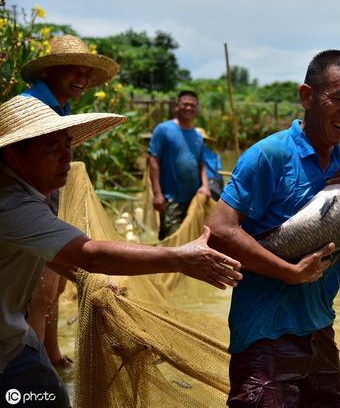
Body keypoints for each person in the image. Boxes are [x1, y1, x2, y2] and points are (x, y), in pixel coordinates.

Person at [0, 95, 242, 407]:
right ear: (13, 157)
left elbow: (56, 254)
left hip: (15, 337)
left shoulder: (28, 194)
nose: (66, 156)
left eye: (67, 144)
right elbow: (90, 253)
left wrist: (86, 279)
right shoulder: (12, 205)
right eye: (51, 148)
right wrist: (179, 258)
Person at [207, 50, 340, 407]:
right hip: (264, 336)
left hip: (318, 331)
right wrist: (289, 272)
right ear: (307, 97)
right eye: (339, 99)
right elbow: (219, 231)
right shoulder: (270, 155)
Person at [19, 34, 120, 368]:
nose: (83, 79)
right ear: (50, 72)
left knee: (56, 287)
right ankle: (32, 369)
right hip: (25, 205)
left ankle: (50, 353)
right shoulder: (32, 109)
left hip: (46, 199)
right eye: (73, 71)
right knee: (41, 291)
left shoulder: (59, 106)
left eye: (87, 73)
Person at [148, 90, 211, 240]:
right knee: (172, 239)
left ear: (196, 109)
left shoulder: (197, 135)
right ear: (177, 106)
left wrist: (205, 186)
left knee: (192, 239)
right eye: (185, 104)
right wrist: (157, 193)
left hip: (193, 199)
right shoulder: (163, 130)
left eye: (192, 105)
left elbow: (201, 165)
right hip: (171, 199)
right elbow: (153, 161)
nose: (188, 108)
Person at [195, 127, 225, 201]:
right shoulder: (215, 155)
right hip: (215, 187)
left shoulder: (193, 153)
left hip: (201, 187)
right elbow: (220, 177)